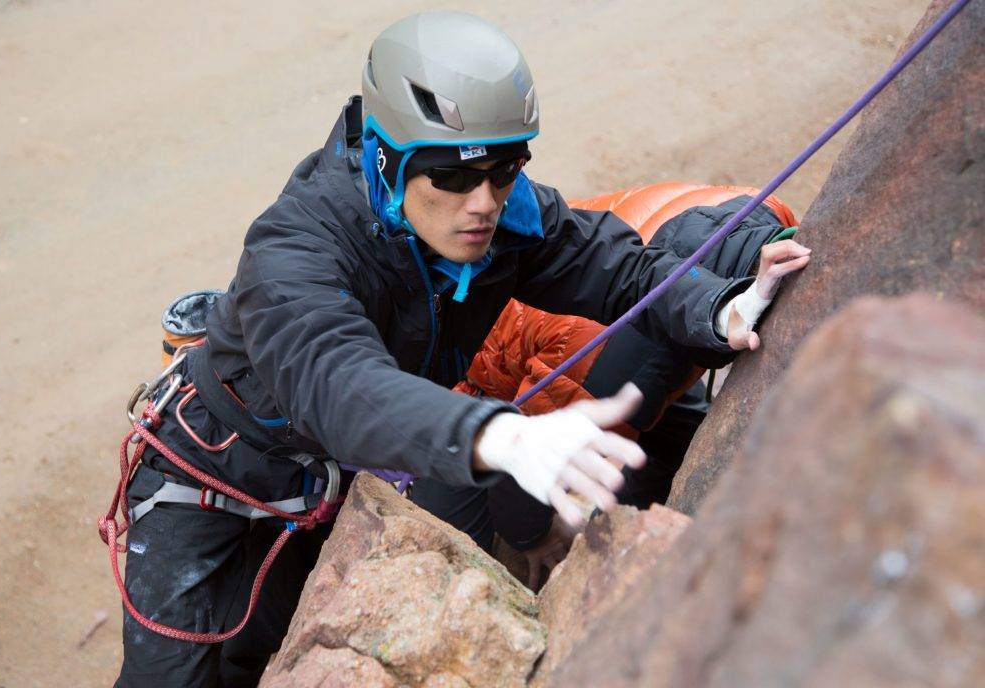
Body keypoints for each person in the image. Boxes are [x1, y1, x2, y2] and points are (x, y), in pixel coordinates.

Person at [113, 11, 811, 687]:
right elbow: (340, 382)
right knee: (185, 674)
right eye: (450, 175)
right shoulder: (295, 249)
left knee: (271, 646)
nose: (481, 203)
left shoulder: (504, 217)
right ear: (387, 156)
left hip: (329, 472)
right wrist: (502, 439)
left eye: (504, 170)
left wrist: (719, 306)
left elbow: (619, 269)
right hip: (212, 475)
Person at [427, 183, 800, 588]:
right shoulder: (603, 346)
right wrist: (532, 536)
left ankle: (632, 520)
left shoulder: (624, 338)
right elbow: (533, 442)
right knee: (454, 528)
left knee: (647, 388)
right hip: (479, 364)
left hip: (675, 259)